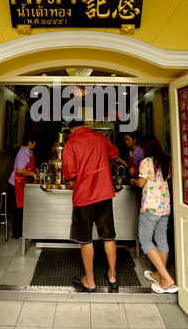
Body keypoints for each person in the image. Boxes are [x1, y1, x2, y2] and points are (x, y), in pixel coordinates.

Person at [62, 120, 119, 292]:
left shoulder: (71, 143)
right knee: (108, 236)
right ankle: (112, 276)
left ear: (71, 129)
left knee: (86, 239)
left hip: (84, 196)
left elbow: (68, 172)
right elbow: (114, 153)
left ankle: (89, 280)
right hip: (104, 193)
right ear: (86, 125)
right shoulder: (101, 138)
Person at [130, 135, 178, 294]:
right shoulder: (166, 162)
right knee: (162, 240)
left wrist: (134, 181)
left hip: (150, 207)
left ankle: (166, 278)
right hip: (164, 207)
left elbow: (142, 183)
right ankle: (158, 275)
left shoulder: (146, 162)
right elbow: (167, 181)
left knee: (145, 240)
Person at [7, 131, 39, 239]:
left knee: (22, 208)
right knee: (19, 209)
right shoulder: (23, 153)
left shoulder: (29, 151)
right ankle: (17, 234)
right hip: (15, 184)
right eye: (35, 142)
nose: (35, 144)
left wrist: (36, 170)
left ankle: (22, 231)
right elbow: (20, 170)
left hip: (21, 183)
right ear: (30, 142)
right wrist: (32, 174)